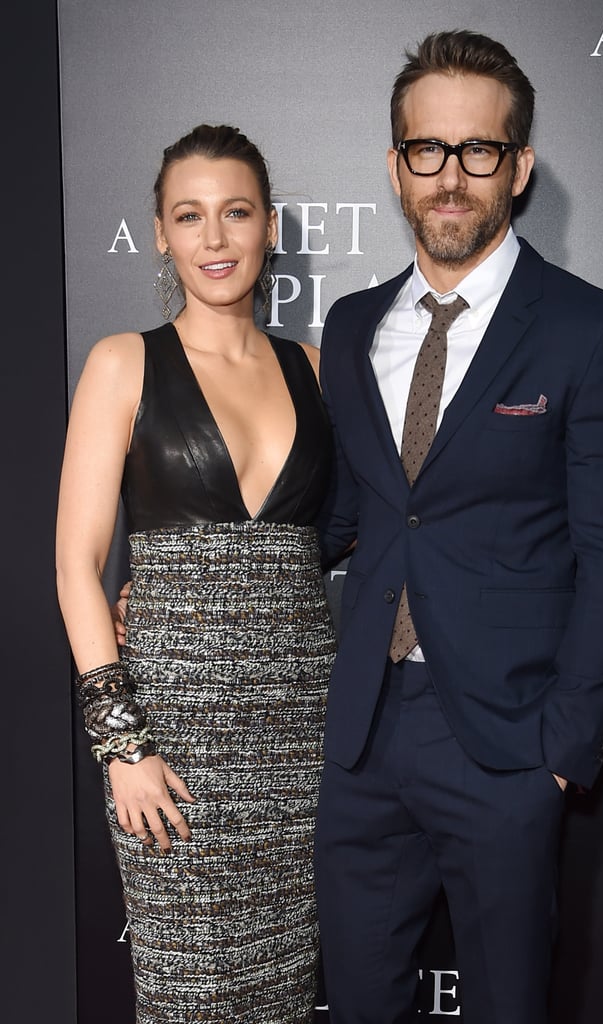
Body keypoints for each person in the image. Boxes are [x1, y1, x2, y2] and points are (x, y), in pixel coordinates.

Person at [313, 30, 603, 1024]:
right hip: (363, 736)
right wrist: (213, 574)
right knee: (354, 1005)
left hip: (506, 742)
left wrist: (562, 744)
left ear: (518, 166)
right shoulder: (349, 325)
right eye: (427, 150)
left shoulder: (594, 330)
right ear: (395, 167)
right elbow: (343, 515)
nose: (451, 178)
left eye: (478, 151)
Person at [56, 123, 336, 1024]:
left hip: (305, 740)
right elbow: (74, 561)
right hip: (169, 742)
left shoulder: (319, 372)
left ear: (271, 228)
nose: (214, 239)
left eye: (236, 213)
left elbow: (366, 533)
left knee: (290, 992)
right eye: (190, 216)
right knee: (190, 996)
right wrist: (121, 745)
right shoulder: (122, 363)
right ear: (159, 234)